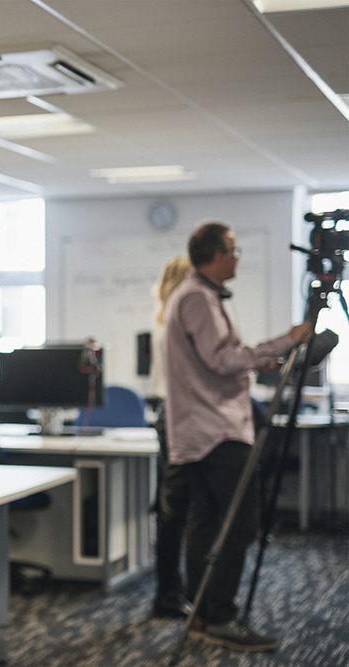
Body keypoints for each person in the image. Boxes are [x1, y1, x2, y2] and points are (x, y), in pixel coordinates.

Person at [163, 221, 312, 652]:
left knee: (206, 523)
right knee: (238, 524)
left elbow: (217, 360)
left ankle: (203, 616)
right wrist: (286, 341)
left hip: (202, 430)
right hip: (217, 432)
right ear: (215, 255)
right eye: (233, 249)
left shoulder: (194, 295)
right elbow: (221, 359)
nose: (238, 255)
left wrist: (253, 361)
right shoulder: (198, 297)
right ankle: (221, 617)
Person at [149, 255, 193, 619]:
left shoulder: (164, 322)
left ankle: (172, 590)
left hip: (171, 416)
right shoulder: (175, 325)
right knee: (175, 511)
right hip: (179, 418)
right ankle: (167, 593)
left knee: (175, 511)